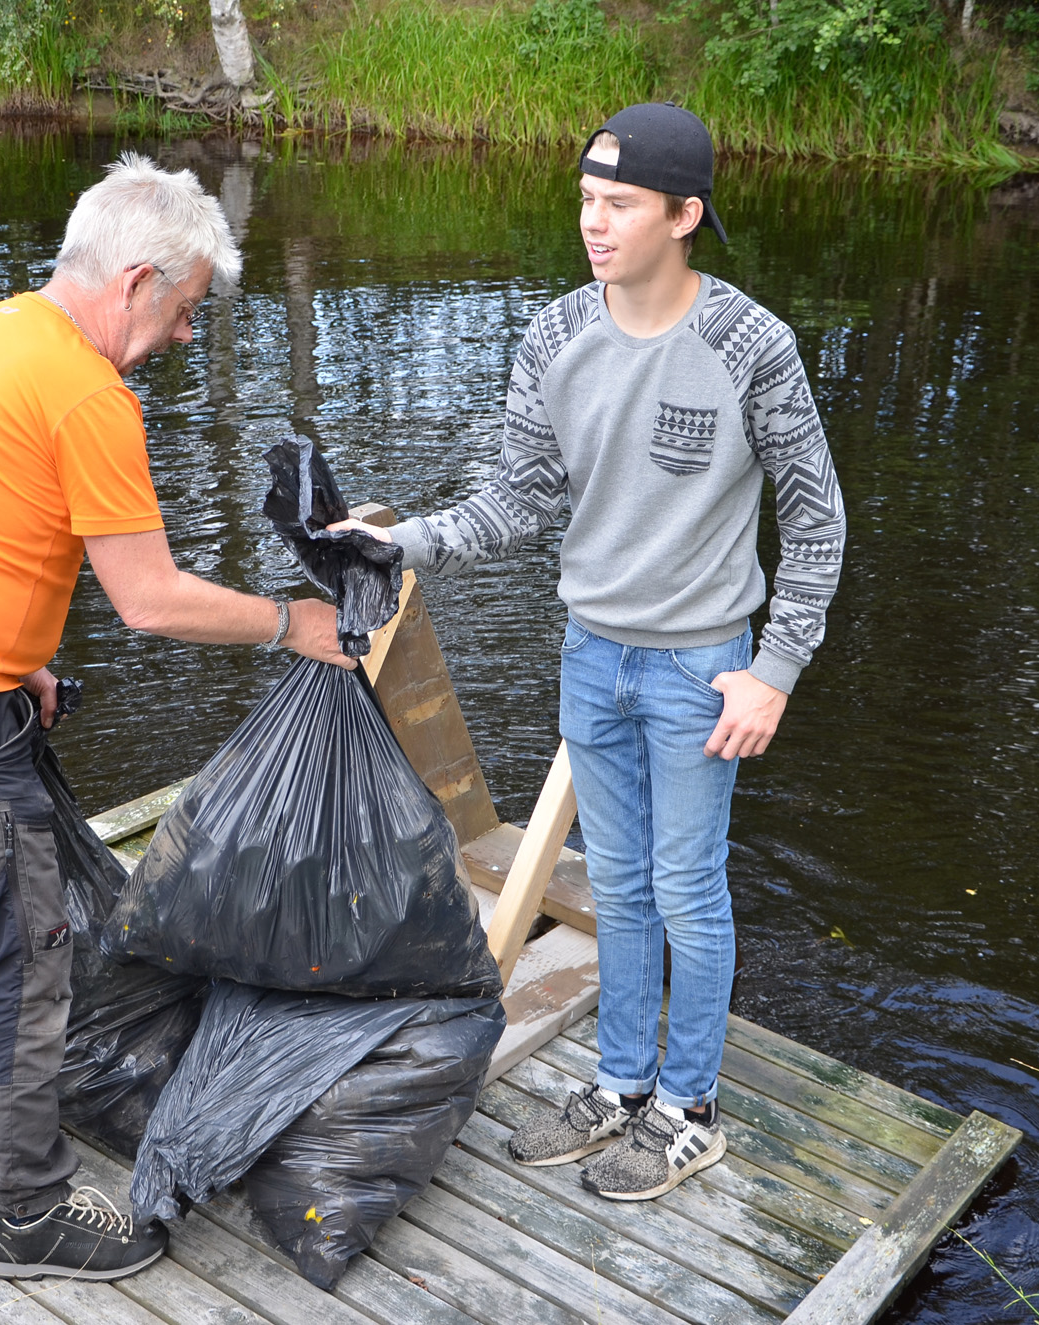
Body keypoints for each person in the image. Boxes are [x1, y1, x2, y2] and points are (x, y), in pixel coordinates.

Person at [0, 153, 352, 1281]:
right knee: (27, 936)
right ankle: (27, 1213)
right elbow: (148, 600)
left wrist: (23, 660)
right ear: (137, 279)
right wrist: (289, 622)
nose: (188, 336)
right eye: (189, 309)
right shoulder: (88, 396)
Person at [332, 103, 846, 1202]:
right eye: (584, 200)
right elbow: (518, 497)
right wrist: (402, 539)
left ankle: (688, 1109)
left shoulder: (749, 345)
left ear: (682, 214)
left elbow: (816, 521)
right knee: (617, 881)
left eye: (616, 204)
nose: (591, 223)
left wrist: (774, 670)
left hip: (701, 666)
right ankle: (617, 1088)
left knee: (686, 888)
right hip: (590, 655)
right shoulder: (554, 335)